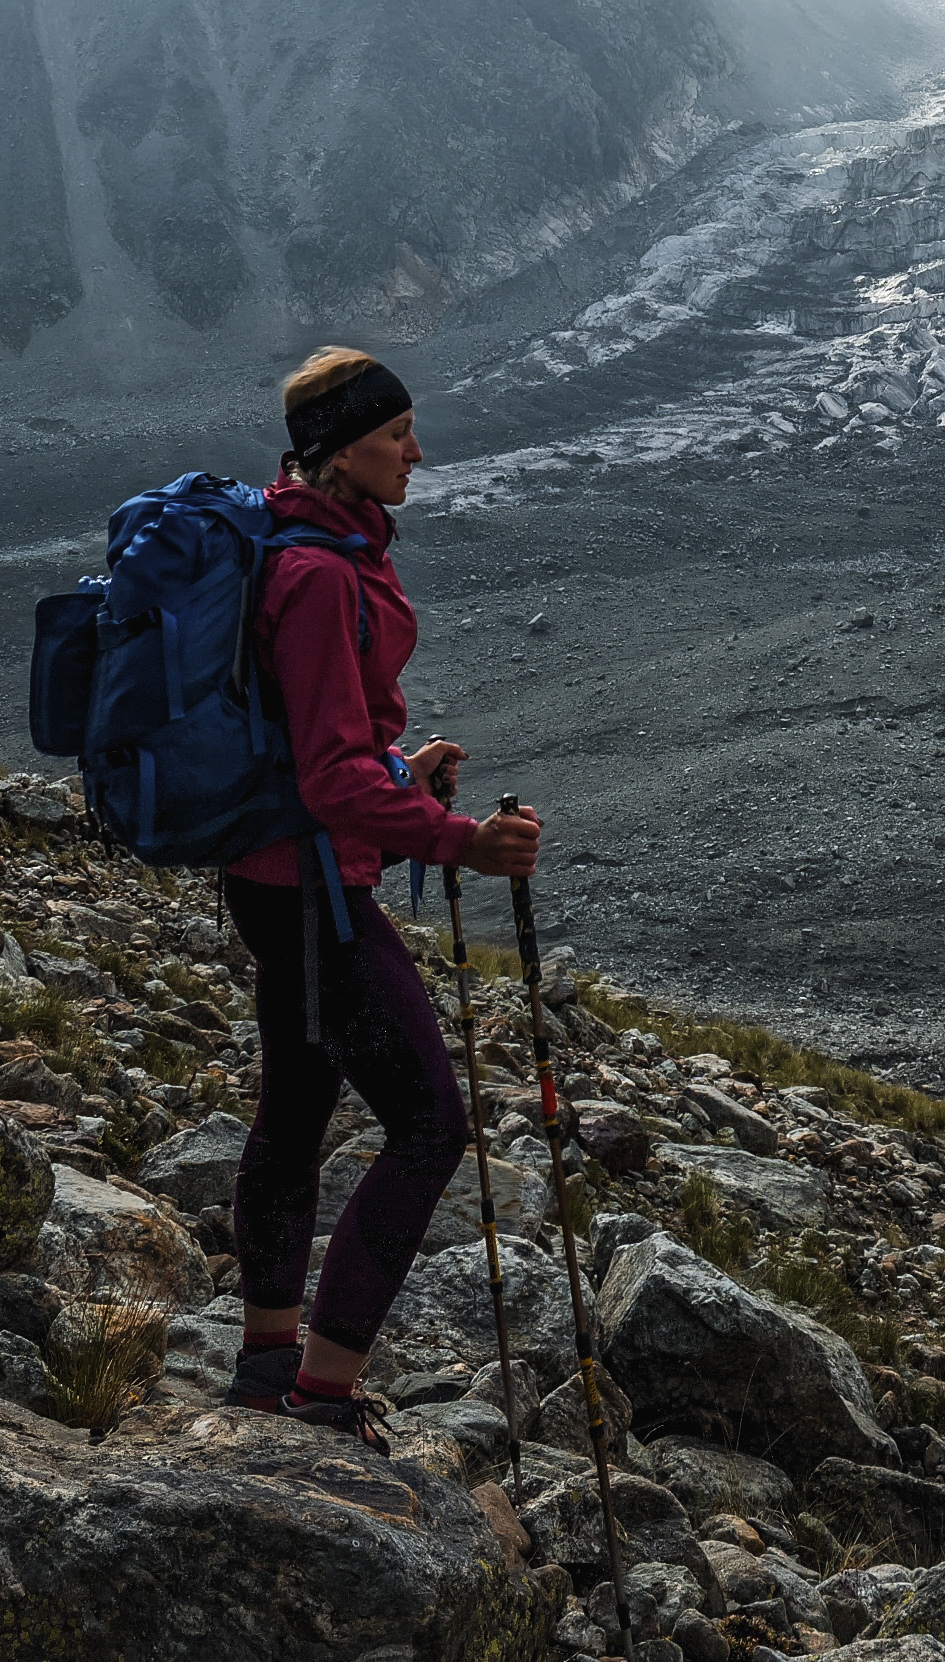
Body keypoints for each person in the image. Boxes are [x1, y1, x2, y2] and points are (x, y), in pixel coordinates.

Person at [220, 346, 539, 1437]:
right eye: (397, 433)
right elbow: (327, 778)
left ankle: (268, 1364)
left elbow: (322, 749)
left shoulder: (314, 543)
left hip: (279, 875)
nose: (416, 451)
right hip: (310, 890)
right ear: (341, 448)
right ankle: (320, 1393)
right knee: (430, 1125)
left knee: (296, 1111)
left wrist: (399, 772)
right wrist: (459, 843)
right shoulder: (317, 574)